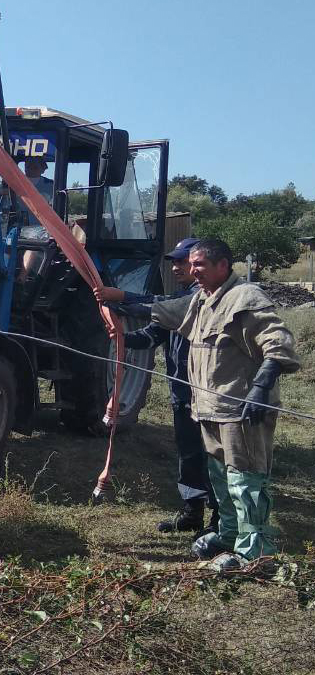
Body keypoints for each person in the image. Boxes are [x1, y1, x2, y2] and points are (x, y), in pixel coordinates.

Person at [149, 239, 300, 570]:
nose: (192, 271)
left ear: (223, 265)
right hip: (210, 408)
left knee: (246, 480)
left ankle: (255, 552)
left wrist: (260, 387)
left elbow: (278, 344)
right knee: (222, 478)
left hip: (240, 410)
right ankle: (229, 534)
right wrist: (119, 304)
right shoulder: (203, 299)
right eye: (191, 265)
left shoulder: (246, 298)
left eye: (199, 265)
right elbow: (166, 311)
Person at [94, 237, 219, 535]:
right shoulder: (178, 297)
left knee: (212, 456)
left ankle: (219, 521)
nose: (176, 267)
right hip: (181, 394)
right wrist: (121, 337)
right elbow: (152, 335)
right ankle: (192, 512)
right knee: (188, 453)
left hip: (207, 395)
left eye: (183, 261)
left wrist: (122, 296)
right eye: (173, 261)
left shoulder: (204, 298)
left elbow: (159, 305)